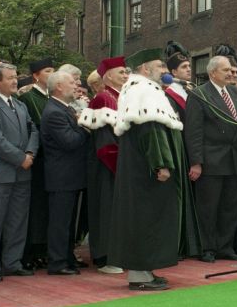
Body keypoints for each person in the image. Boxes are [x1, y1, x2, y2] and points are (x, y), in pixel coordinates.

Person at [109, 48, 184, 291]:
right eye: (160, 66)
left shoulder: (136, 89)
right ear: (145, 69)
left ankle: (146, 271)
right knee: (145, 217)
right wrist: (161, 164)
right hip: (147, 172)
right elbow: (152, 131)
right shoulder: (144, 90)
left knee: (145, 217)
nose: (164, 71)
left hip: (139, 169)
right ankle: (140, 275)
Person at [0, 63, 40, 282]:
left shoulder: (20, 105)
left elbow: (33, 129)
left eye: (16, 77)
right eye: (10, 78)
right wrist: (20, 158)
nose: (15, 81)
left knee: (18, 220)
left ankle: (12, 262)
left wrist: (30, 152)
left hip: (22, 172)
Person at [184, 55, 237, 263]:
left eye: (231, 70)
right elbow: (193, 131)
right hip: (211, 159)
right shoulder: (199, 94)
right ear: (212, 73)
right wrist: (196, 161)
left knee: (230, 206)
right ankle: (208, 247)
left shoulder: (236, 93)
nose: (231, 73)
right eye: (226, 70)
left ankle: (225, 246)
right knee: (209, 207)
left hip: (235, 158)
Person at [79, 57, 127, 274]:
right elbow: (105, 143)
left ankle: (119, 253)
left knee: (118, 213)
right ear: (107, 76)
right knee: (106, 210)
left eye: (126, 72)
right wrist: (120, 166)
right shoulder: (103, 98)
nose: (126, 76)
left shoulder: (122, 97)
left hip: (120, 164)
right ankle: (105, 257)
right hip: (106, 166)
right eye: (121, 72)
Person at [41, 71, 89, 276]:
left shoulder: (64, 109)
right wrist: (85, 127)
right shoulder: (54, 112)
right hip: (62, 176)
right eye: (71, 82)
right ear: (59, 86)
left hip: (70, 175)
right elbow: (70, 141)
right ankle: (57, 262)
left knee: (69, 222)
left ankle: (67, 257)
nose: (76, 85)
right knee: (60, 222)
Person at [163, 50, 203, 258]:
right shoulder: (169, 95)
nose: (190, 70)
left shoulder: (191, 90)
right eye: (185, 67)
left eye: (189, 66)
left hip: (193, 149)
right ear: (173, 71)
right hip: (181, 150)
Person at [17, 57, 54, 269]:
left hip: (52, 160)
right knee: (36, 208)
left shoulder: (52, 97)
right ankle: (33, 249)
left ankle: (44, 249)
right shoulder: (29, 98)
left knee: (47, 208)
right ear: (36, 75)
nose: (52, 73)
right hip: (37, 159)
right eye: (47, 70)